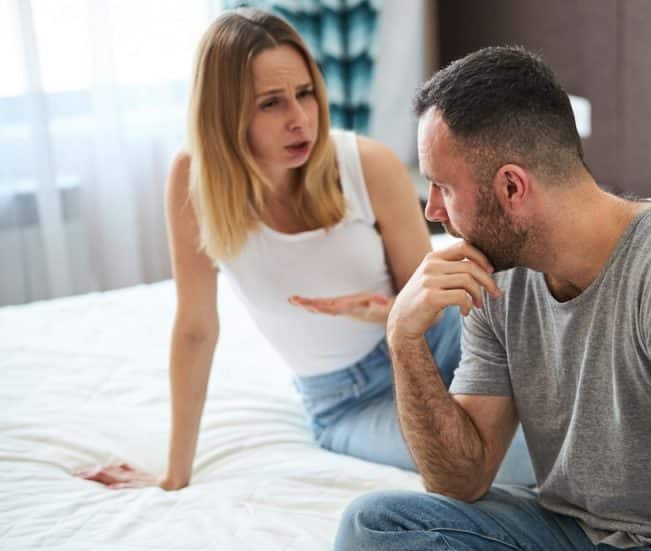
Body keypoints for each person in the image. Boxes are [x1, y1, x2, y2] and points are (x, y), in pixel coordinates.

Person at [334, 46, 651, 551]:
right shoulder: (499, 278)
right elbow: (461, 479)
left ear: (512, 187)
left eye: (444, 187)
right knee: (373, 527)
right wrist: (404, 340)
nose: (432, 210)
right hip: (573, 538)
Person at [74, 9, 533, 491]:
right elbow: (195, 329)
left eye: (305, 93)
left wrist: (382, 313)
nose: (299, 120)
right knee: (513, 461)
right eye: (271, 103)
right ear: (225, 114)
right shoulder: (193, 182)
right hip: (349, 401)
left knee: (557, 410)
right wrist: (173, 476)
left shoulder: (366, 165)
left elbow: (427, 303)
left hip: (437, 346)